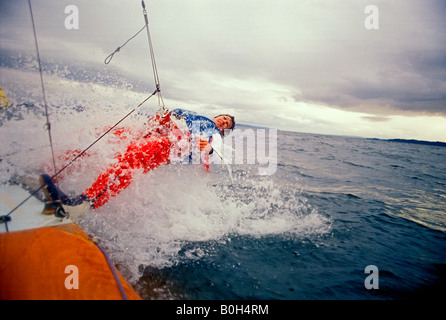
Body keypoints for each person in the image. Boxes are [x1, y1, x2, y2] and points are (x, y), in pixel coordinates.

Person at [40, 108, 235, 213]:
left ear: (224, 130)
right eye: (223, 117)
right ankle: (55, 172)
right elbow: (173, 130)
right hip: (160, 143)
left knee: (129, 162)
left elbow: (211, 151)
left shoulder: (213, 134)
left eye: (227, 123)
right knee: (104, 140)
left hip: (165, 150)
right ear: (216, 115)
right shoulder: (200, 124)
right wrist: (166, 118)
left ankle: (82, 204)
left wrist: (207, 149)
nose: (223, 121)